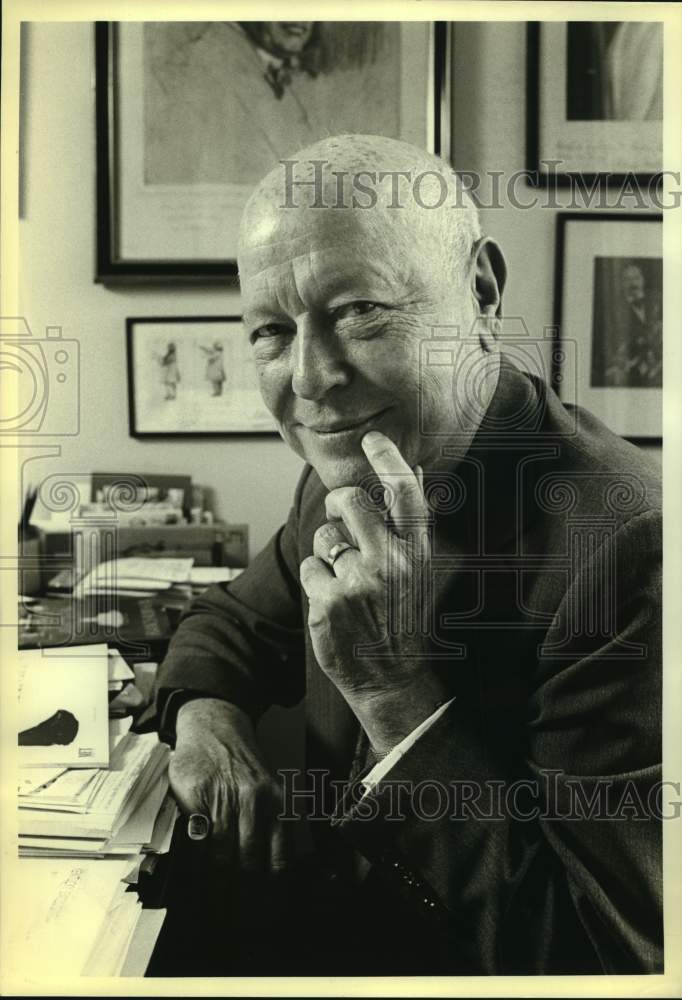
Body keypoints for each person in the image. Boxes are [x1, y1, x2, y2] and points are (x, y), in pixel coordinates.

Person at [146, 135, 662, 976]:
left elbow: (603, 963)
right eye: (272, 332)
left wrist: (391, 690)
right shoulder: (345, 467)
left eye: (360, 312)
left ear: (483, 293)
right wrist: (204, 720)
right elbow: (230, 621)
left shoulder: (631, 545)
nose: (311, 379)